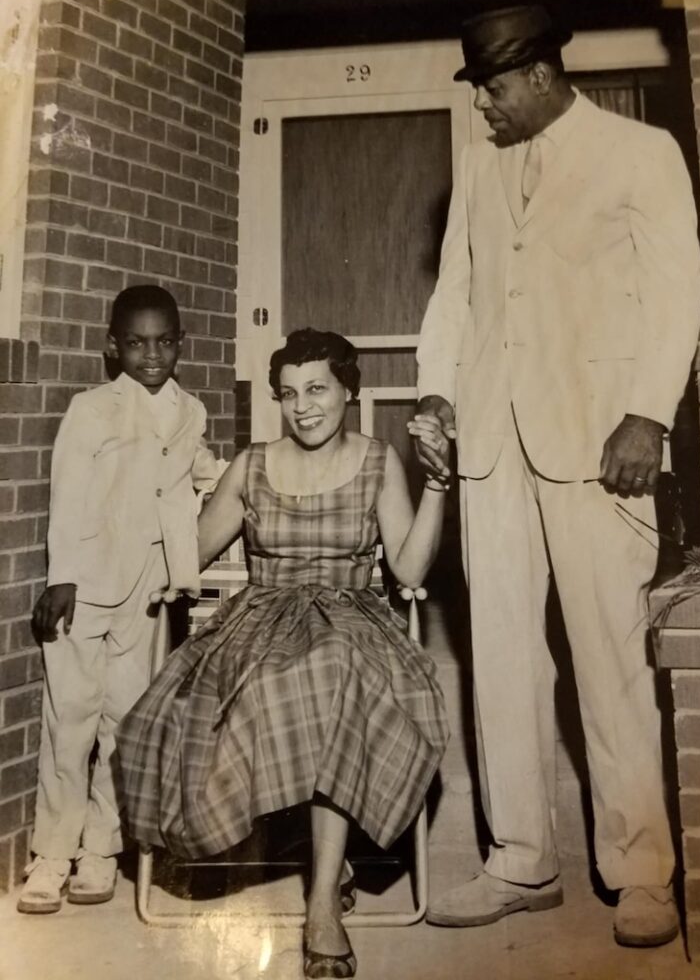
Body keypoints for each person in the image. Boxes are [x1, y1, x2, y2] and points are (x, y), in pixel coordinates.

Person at [414, 5, 700, 947]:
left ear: (541, 76)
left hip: (600, 444)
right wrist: (437, 396)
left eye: (494, 89)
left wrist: (649, 413)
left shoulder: (640, 153)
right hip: (492, 447)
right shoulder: (479, 167)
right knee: (500, 656)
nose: (484, 107)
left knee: (611, 656)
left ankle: (642, 872)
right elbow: (457, 293)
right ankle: (520, 859)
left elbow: (677, 291)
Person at [117, 328, 451, 980]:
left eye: (317, 389)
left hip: (353, 620)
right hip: (261, 621)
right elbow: (187, 554)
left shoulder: (379, 461)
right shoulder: (252, 466)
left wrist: (438, 484)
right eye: (289, 394)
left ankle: (321, 899)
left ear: (348, 391)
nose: (303, 407)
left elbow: (410, 568)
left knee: (335, 666)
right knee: (279, 681)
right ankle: (319, 850)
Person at [18, 285, 222, 915]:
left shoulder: (191, 411)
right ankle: (52, 853)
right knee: (71, 719)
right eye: (136, 342)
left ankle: (101, 849)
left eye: (164, 342)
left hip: (150, 593)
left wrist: (249, 480)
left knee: (125, 722)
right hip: (84, 589)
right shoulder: (91, 410)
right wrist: (63, 576)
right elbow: (69, 492)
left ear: (181, 345)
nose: (151, 354)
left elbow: (199, 472)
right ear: (114, 347)